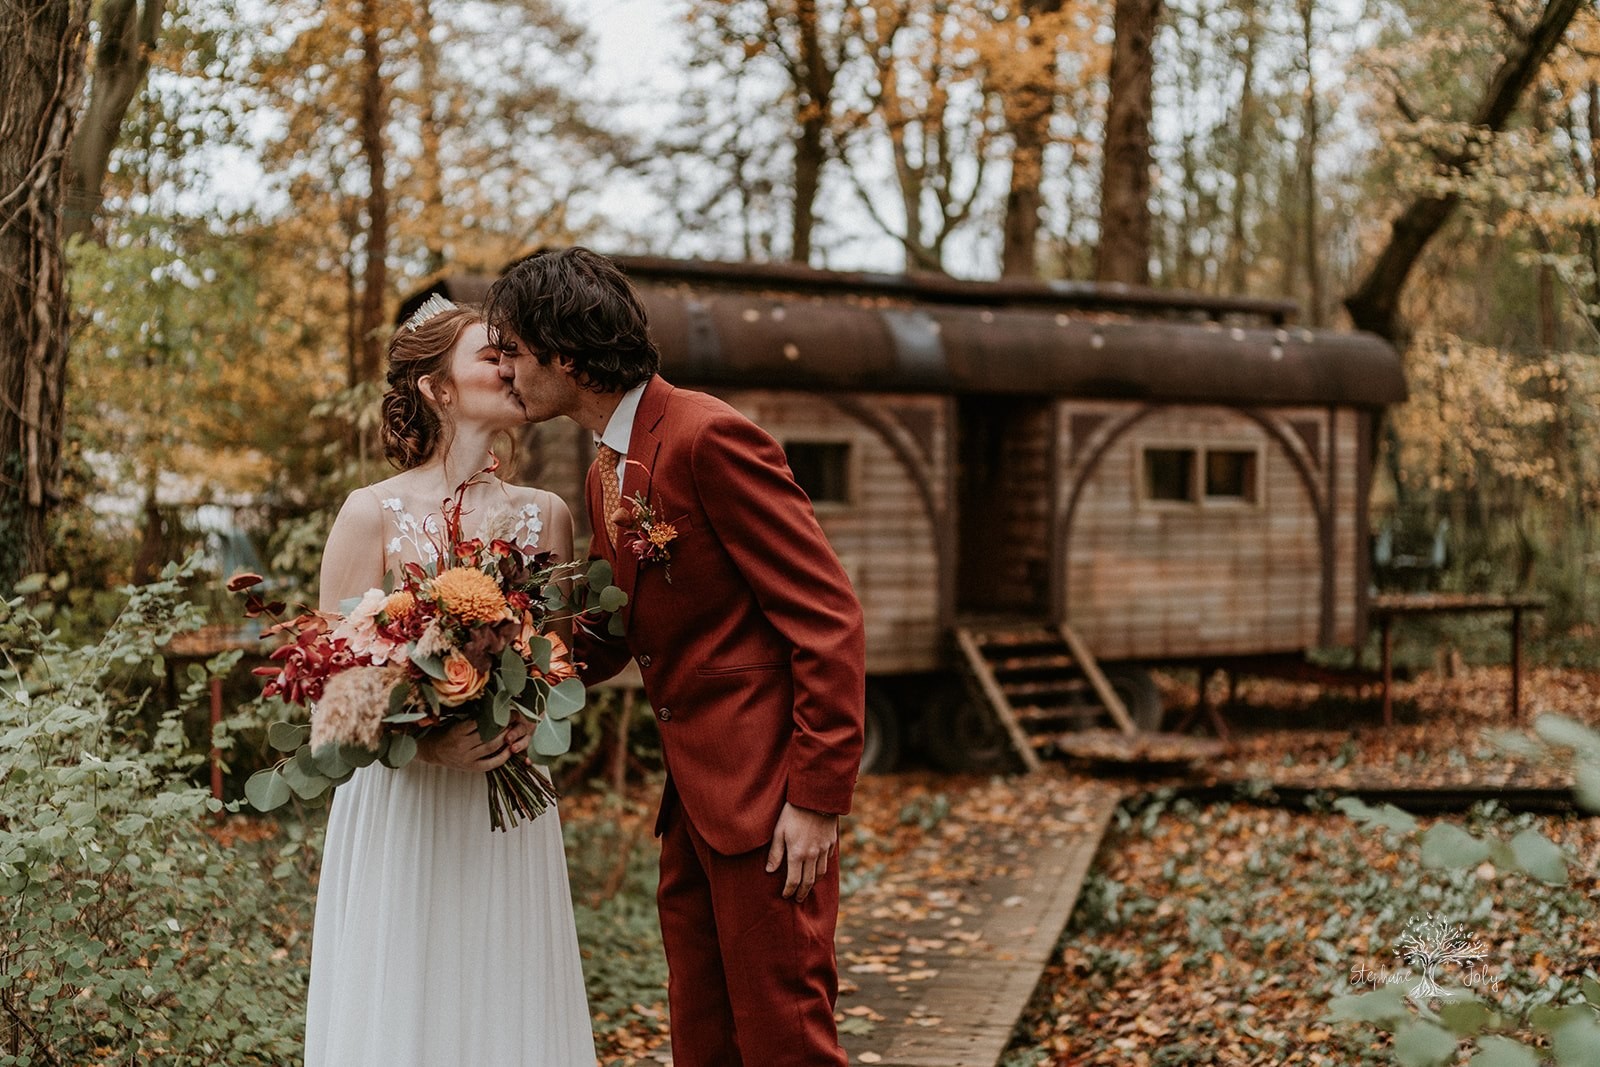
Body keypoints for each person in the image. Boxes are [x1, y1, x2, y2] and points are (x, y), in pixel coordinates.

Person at [488, 247, 866, 1067]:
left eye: (511, 349)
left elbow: (827, 616)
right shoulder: (605, 472)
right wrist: (495, 669)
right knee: (704, 1036)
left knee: (784, 1039)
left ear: (563, 353)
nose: (505, 369)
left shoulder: (708, 436)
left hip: (766, 798)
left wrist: (818, 797)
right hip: (692, 805)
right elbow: (612, 633)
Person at [303, 300, 596, 1066]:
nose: (511, 368)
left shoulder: (548, 517)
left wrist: (527, 711)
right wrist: (430, 746)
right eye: (490, 358)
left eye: (512, 356)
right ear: (437, 388)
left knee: (510, 1003)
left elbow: (557, 667)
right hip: (407, 807)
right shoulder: (370, 514)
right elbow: (330, 708)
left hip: (509, 810)